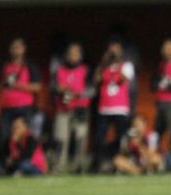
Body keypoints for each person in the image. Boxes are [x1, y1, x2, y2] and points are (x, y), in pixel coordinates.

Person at [50, 42, 93, 174]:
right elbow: (52, 88)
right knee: (60, 139)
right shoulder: (59, 70)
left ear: (80, 56)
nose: (73, 56)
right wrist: (58, 89)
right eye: (71, 53)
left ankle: (78, 167)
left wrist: (77, 94)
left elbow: (92, 90)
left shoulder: (86, 70)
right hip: (62, 109)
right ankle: (58, 167)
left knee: (80, 139)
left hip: (80, 109)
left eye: (76, 53)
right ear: (66, 55)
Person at [94, 39, 135, 172]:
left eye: (116, 49)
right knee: (100, 138)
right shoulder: (104, 66)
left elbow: (124, 79)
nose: (113, 52)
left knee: (121, 138)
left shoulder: (126, 65)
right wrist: (103, 62)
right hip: (104, 108)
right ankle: (99, 164)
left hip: (120, 108)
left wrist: (116, 64)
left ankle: (120, 164)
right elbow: (96, 79)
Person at [0, 38, 41, 150]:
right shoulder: (3, 65)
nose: (16, 50)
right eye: (13, 47)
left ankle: (25, 162)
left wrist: (17, 85)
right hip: (6, 107)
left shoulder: (30, 66)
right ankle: (4, 162)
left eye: (18, 47)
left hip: (24, 108)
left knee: (25, 136)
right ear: (10, 50)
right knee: (4, 135)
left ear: (24, 49)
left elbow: (37, 87)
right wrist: (4, 83)